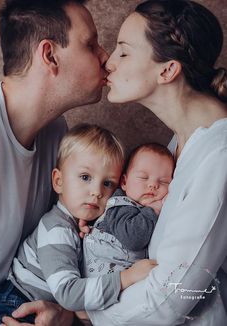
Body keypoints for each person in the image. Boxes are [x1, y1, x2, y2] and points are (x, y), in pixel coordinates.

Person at [84, 0, 227, 325]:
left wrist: (84, 310)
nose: (109, 61)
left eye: (123, 51)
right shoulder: (181, 142)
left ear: (167, 70)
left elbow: (172, 297)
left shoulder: (218, 157)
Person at [0, 0, 110, 325]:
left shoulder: (56, 131)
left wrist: (63, 312)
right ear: (49, 55)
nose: (105, 57)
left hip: (17, 296)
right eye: (90, 44)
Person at [0, 124, 156, 325]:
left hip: (47, 307)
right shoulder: (56, 229)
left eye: (107, 183)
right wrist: (125, 279)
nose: (97, 191)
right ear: (58, 181)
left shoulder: (87, 225)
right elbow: (68, 293)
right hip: (16, 304)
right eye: (85, 177)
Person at [83, 143, 174, 278]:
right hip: (99, 279)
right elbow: (133, 238)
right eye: (144, 177)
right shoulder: (120, 204)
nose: (153, 185)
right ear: (124, 182)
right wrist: (154, 210)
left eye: (164, 182)